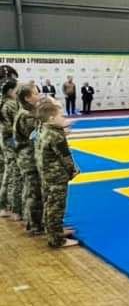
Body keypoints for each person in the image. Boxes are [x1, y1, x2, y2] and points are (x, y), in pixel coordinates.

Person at [35, 97, 80, 248]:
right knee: (56, 206)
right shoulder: (56, 135)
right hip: (56, 176)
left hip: (46, 174)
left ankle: (54, 230)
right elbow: (65, 156)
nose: (64, 118)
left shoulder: (44, 129)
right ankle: (56, 239)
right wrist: (73, 171)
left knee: (49, 204)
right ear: (52, 118)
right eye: (61, 116)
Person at [13, 83, 42, 234]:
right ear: (27, 98)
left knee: (31, 190)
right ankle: (36, 225)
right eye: (35, 93)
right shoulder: (27, 115)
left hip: (27, 156)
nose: (39, 96)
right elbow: (37, 136)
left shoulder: (28, 112)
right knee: (34, 192)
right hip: (29, 158)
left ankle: (31, 221)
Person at [0, 80, 23, 221]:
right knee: (13, 174)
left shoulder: (5, 102)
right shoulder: (11, 104)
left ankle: (4, 206)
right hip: (11, 141)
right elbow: (18, 124)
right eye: (17, 89)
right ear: (10, 91)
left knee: (8, 172)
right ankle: (12, 208)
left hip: (6, 140)